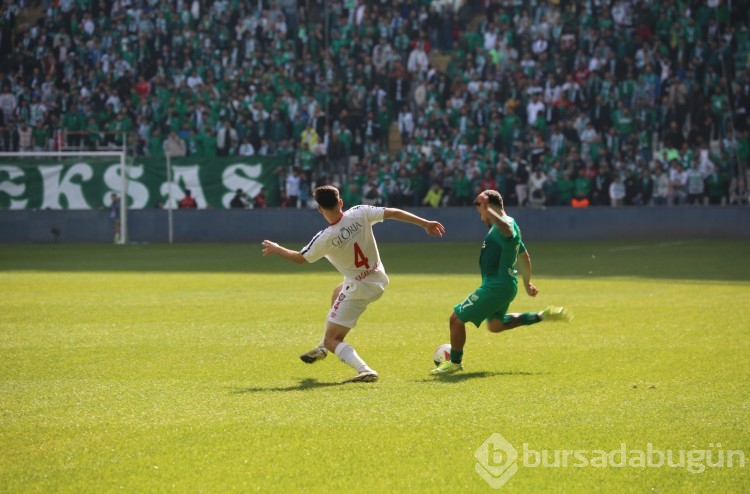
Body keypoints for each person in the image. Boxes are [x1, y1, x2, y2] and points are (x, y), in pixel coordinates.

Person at [262, 185, 446, 383]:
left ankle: (363, 368)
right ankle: (322, 346)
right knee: (337, 292)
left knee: (335, 340)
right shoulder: (359, 212)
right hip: (378, 279)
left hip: (358, 289)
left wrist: (277, 248)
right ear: (340, 202)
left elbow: (300, 258)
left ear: (319, 209)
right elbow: (393, 212)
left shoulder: (325, 237)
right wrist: (425, 223)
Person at [431, 189, 571, 375]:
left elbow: (506, 228)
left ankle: (454, 362)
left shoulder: (505, 225)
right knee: (496, 325)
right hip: (506, 285)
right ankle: (541, 315)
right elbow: (524, 256)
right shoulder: (511, 226)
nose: (481, 217)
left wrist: (489, 210)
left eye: (481, 210)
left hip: (496, 285)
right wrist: (527, 283)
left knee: (456, 319)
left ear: (489, 206)